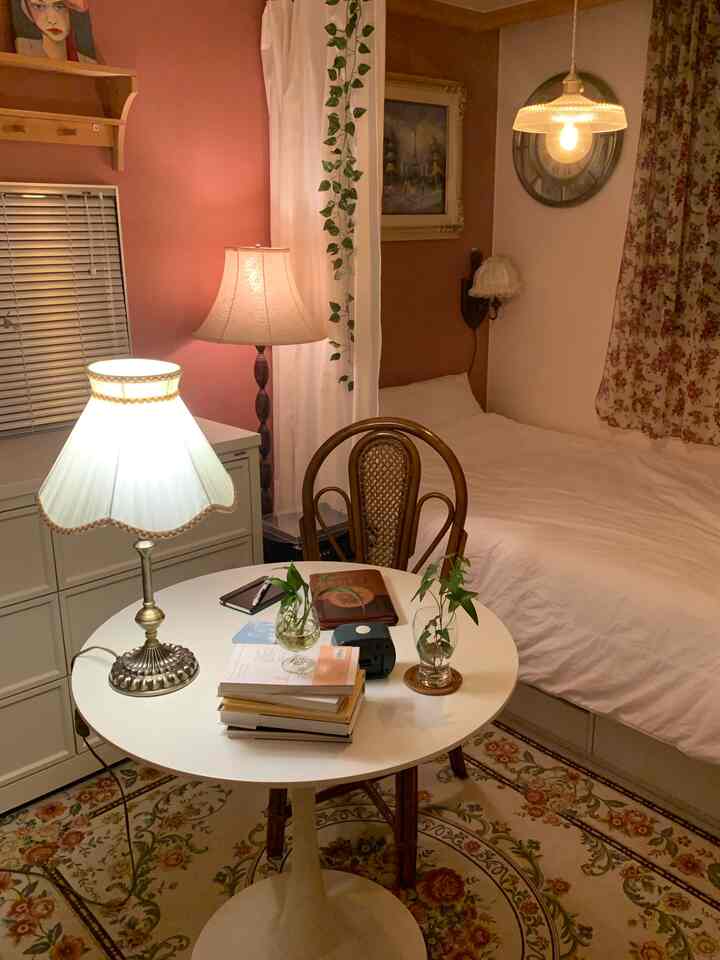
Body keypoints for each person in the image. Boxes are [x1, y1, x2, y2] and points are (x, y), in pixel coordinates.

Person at [15, 0, 95, 62]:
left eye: (60, 6)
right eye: (39, 6)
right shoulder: (22, 47)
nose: (51, 20)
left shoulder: (89, 64)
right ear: (27, 10)